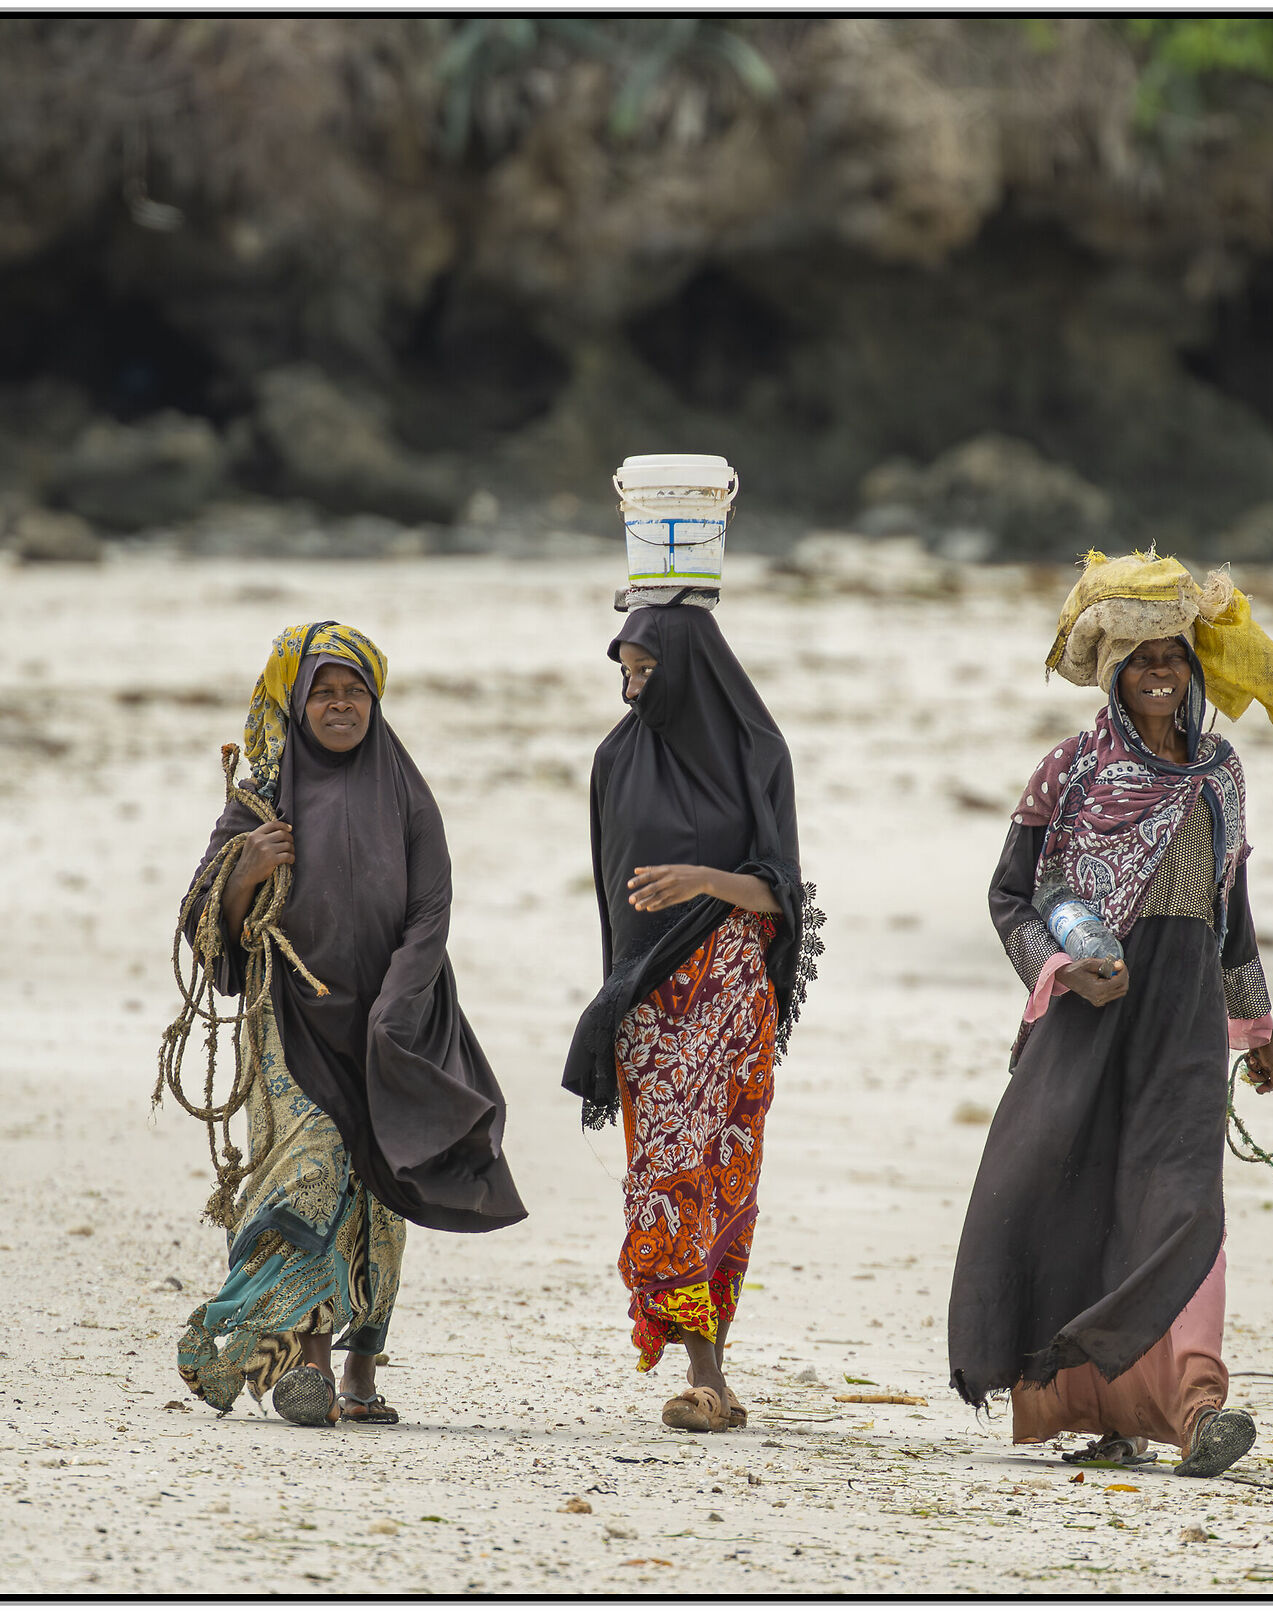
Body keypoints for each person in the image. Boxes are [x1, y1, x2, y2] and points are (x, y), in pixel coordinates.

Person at [948, 553, 1273, 1479]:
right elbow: (1011, 896)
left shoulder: (1222, 774)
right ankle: (1105, 1408)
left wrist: (1258, 1030)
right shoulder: (1068, 771)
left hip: (1184, 1016)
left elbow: (1231, 912)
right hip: (1089, 1018)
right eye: (1141, 660)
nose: (1159, 675)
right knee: (1081, 1199)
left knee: (1184, 1200)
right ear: (1113, 674)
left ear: (1193, 671)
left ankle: (1196, 1406)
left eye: (1174, 659)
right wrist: (1063, 967)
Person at [175, 621, 525, 1427]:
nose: (341, 705)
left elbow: (430, 911)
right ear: (297, 704)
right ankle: (305, 1363)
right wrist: (247, 872)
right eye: (323, 692)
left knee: (377, 1197)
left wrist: (394, 1014)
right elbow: (203, 918)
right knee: (308, 1178)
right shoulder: (259, 796)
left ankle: (360, 1371)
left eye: (354, 690)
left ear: (375, 698)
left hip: (392, 1026)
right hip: (290, 1022)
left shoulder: (405, 789)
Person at [563, 601, 821, 1433]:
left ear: (688, 668)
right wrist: (615, 992)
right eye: (626, 674)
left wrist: (706, 880)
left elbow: (782, 886)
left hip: (734, 992)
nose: (635, 689)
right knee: (666, 1174)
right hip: (650, 1001)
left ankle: (713, 1375)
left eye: (647, 671)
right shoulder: (615, 757)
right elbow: (610, 897)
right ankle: (705, 1372)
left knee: (725, 1173)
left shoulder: (757, 751)